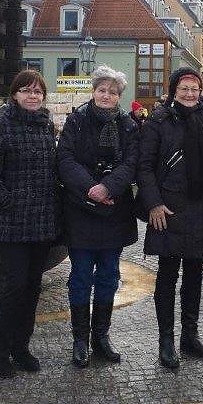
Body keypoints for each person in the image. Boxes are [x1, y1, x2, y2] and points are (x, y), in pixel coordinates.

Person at [137, 67, 203, 369]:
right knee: (167, 274)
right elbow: (145, 167)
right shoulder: (158, 122)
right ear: (174, 90)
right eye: (184, 88)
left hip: (200, 207)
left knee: (195, 273)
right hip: (169, 208)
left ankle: (190, 335)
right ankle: (166, 340)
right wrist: (154, 203)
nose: (190, 93)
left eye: (194, 88)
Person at [57, 66, 138, 368]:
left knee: (108, 275)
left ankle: (101, 337)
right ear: (93, 92)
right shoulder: (76, 121)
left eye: (112, 92)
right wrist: (91, 187)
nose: (106, 95)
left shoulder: (128, 126)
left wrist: (107, 186)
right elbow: (64, 159)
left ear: (119, 96)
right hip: (80, 208)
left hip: (114, 209)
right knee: (80, 276)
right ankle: (80, 339)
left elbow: (132, 161)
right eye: (102, 90)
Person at [0, 70, 58, 379]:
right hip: (11, 222)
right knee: (15, 286)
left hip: (40, 221)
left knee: (33, 287)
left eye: (37, 92)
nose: (32, 96)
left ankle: (21, 348)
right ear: (14, 94)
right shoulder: (0, 126)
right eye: (26, 90)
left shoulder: (45, 125)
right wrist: (6, 202)